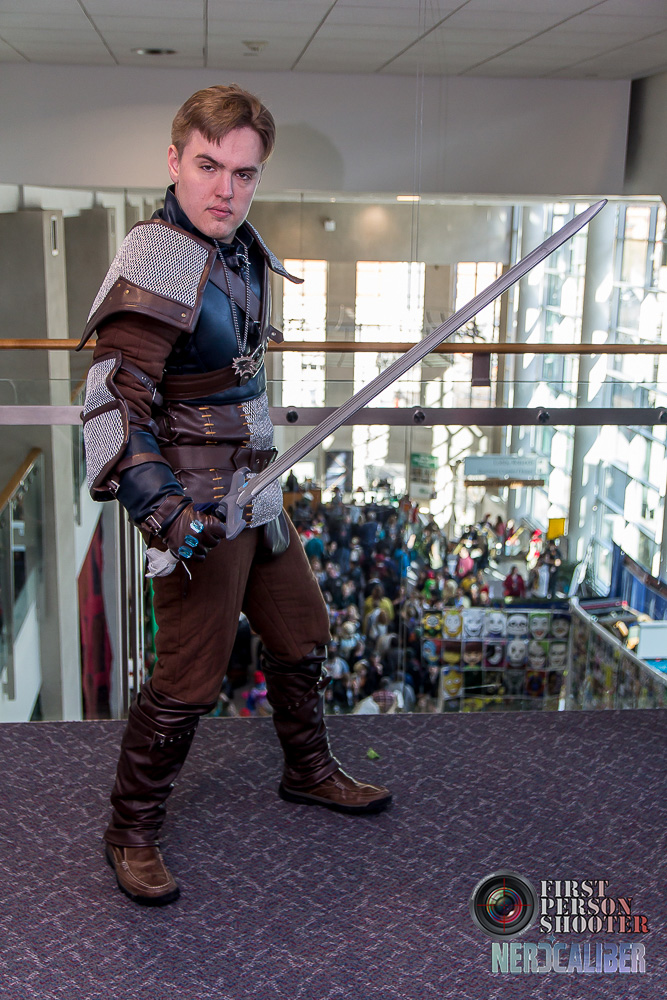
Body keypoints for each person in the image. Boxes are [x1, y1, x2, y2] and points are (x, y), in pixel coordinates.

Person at [78, 84, 391, 906]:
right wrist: (163, 508)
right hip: (198, 499)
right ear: (174, 160)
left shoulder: (239, 248)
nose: (225, 189)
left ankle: (307, 770)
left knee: (301, 631)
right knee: (187, 677)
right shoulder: (158, 256)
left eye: (244, 173)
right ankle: (131, 829)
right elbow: (113, 402)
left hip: (257, 484)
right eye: (208, 166)